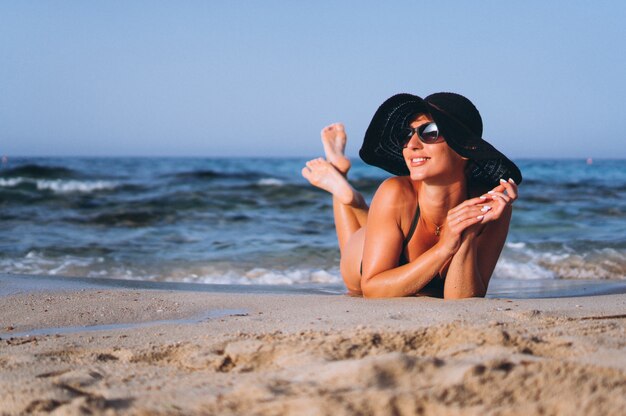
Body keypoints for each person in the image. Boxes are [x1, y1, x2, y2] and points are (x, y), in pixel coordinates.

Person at [302, 92, 522, 299]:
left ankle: (350, 193)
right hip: (360, 266)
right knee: (355, 255)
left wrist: (467, 232)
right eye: (405, 134)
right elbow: (372, 289)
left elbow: (463, 298)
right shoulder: (394, 192)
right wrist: (444, 248)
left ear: (464, 149)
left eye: (430, 132)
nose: (411, 144)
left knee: (378, 226)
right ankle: (346, 192)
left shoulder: (491, 206)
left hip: (399, 228)